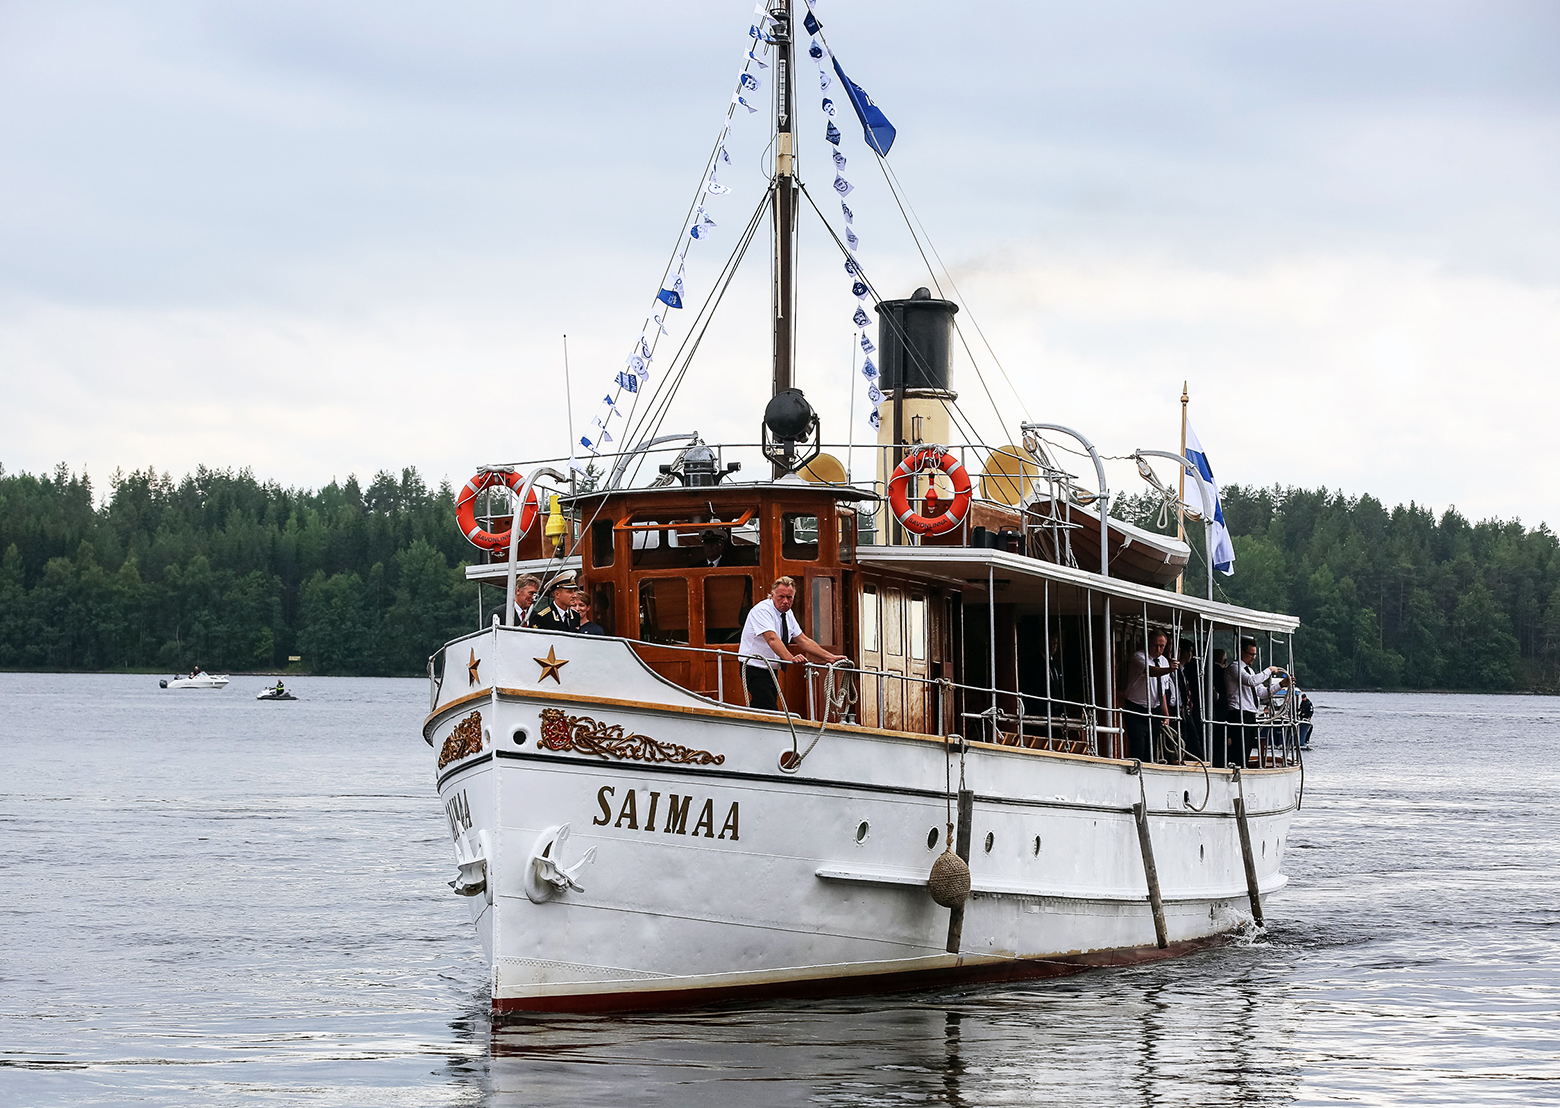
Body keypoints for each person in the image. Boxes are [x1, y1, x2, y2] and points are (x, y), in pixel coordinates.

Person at [738, 576, 844, 711]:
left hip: (770, 669)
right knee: (767, 708)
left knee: (764, 705)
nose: (785, 601)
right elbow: (772, 639)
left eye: (789, 598)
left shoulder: (787, 614)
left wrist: (829, 657)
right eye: (781, 597)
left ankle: (755, 729)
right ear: (772, 595)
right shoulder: (762, 610)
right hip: (753, 666)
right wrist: (790, 658)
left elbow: (803, 640)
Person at [1227, 637, 1290, 766]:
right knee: (1239, 749)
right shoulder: (1234, 667)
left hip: (1250, 714)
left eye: (1255, 654)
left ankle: (1242, 768)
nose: (1254, 657)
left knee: (1247, 748)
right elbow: (1251, 681)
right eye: (1251, 654)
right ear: (1242, 652)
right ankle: (1236, 769)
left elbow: (1262, 693)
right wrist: (1268, 671)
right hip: (1238, 713)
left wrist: (1281, 685)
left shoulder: (1250, 671)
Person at [1121, 630, 1178, 763]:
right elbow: (1151, 671)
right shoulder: (1139, 657)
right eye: (1155, 645)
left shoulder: (1164, 661)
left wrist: (1166, 714)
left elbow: (1162, 691)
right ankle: (1135, 771)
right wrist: (1169, 669)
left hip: (1155, 709)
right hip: (1136, 708)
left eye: (1162, 646)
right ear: (1147, 644)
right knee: (1138, 744)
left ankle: (1148, 771)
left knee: (1151, 746)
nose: (1159, 649)